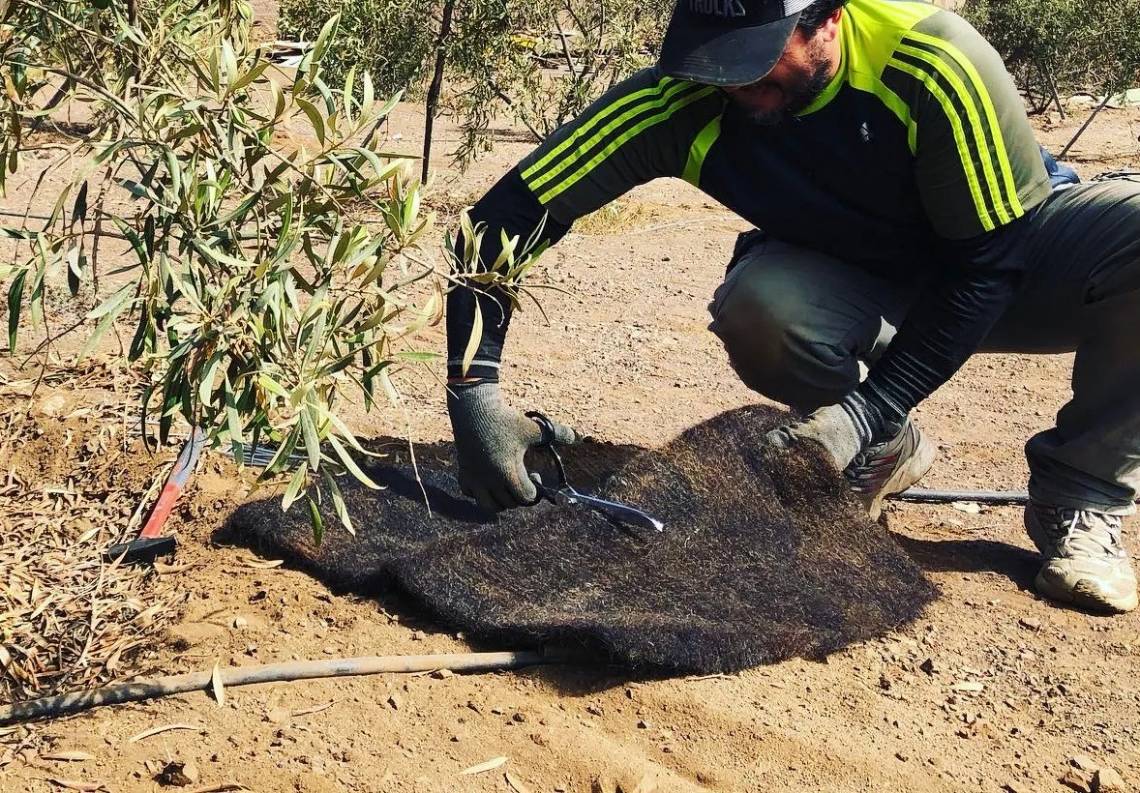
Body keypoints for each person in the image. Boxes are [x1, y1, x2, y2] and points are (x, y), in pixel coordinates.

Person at [444, 0, 1140, 614]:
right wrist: (473, 393)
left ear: (830, 19)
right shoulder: (688, 95)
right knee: (763, 306)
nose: (736, 84)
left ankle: (1081, 493)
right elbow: (502, 220)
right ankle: (882, 448)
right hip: (858, 277)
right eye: (720, 60)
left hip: (1008, 255)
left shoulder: (934, 63)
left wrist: (870, 406)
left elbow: (990, 266)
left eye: (759, 60)